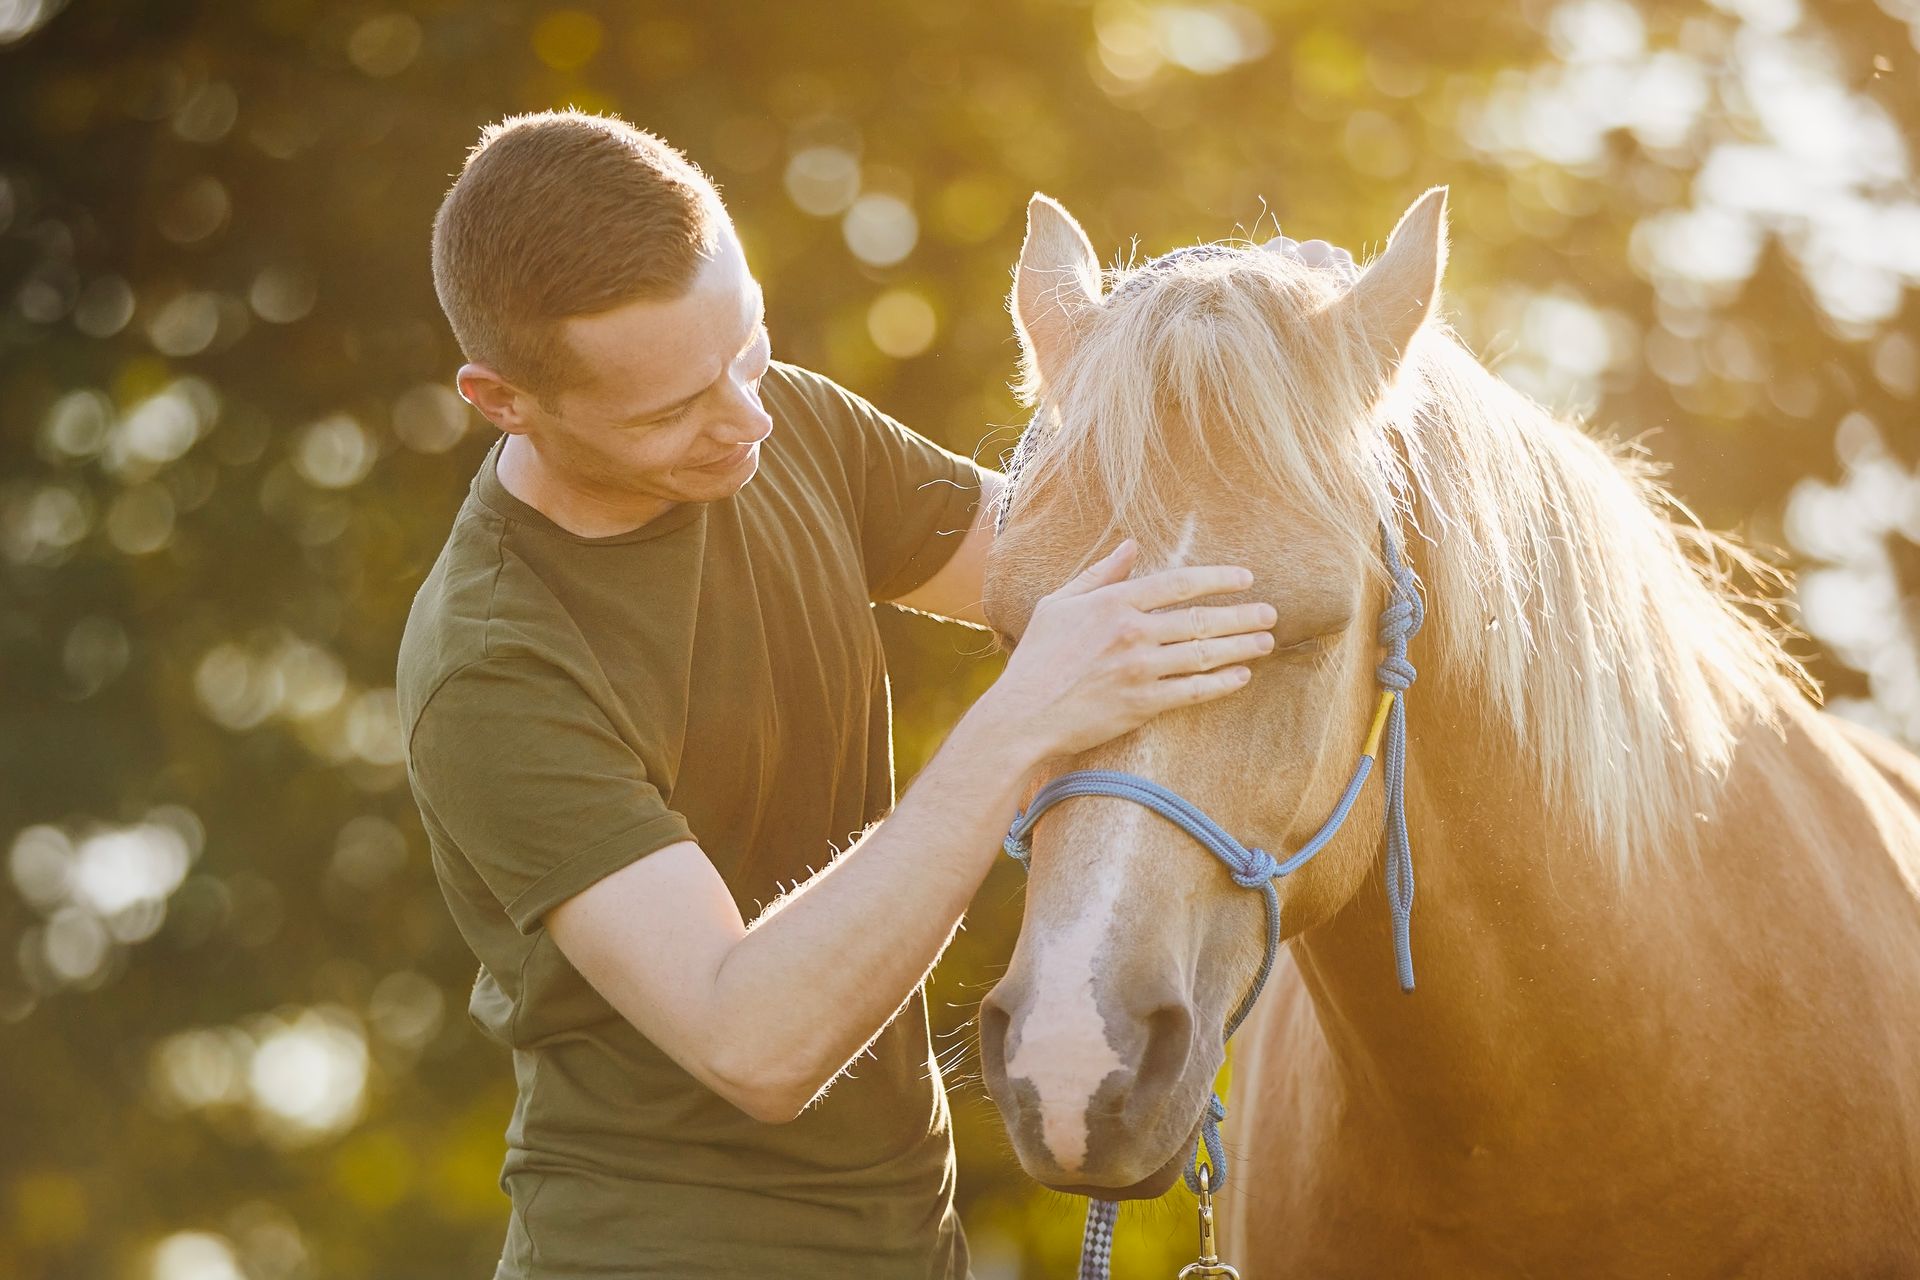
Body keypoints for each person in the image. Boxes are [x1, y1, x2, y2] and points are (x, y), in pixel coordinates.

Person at [396, 108, 1280, 1278]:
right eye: (671, 410)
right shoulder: (496, 664)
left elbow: (1099, 577)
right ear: (501, 398)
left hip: (915, 1245)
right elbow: (753, 1038)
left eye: (750, 346)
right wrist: (1020, 722)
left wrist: (1290, 381)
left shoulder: (785, 426)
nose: (746, 417)